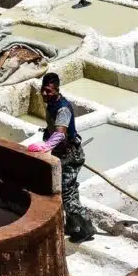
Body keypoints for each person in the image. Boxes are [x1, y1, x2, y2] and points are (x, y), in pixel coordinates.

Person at [26, 72, 95, 243]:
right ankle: (73, 226)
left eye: (48, 91)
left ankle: (86, 227)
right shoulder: (52, 104)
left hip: (70, 155)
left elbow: (60, 135)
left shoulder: (63, 108)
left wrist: (46, 145)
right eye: (43, 90)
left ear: (57, 90)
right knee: (68, 190)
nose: (44, 94)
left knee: (67, 193)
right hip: (61, 154)